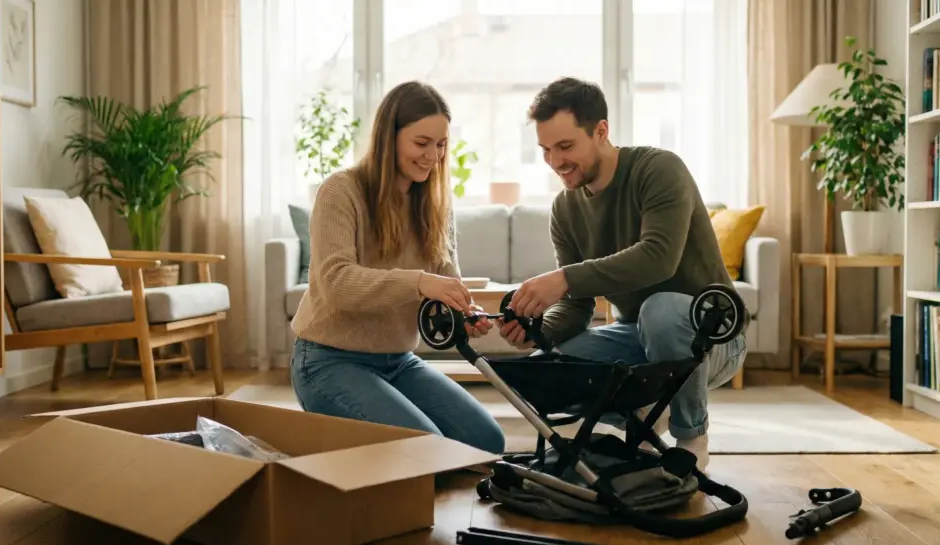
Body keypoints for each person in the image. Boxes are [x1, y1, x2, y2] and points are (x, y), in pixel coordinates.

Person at [496, 77, 747, 470]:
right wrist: (536, 329)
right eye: (545, 149)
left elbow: (658, 257)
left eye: (565, 146)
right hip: (640, 339)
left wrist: (562, 279)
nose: (555, 161)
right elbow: (577, 308)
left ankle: (690, 437)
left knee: (659, 310)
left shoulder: (658, 169)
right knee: (564, 363)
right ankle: (650, 416)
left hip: (712, 335)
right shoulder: (565, 210)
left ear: (600, 131)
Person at [289, 81, 506, 455]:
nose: (432, 156)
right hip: (328, 360)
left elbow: (444, 277)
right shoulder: (340, 192)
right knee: (426, 452)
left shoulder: (433, 202)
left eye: (440, 145)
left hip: (399, 360)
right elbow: (336, 283)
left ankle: (366, 442)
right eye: (421, 144)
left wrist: (461, 312)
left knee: (488, 440)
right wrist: (421, 283)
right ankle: (339, 446)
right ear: (389, 137)